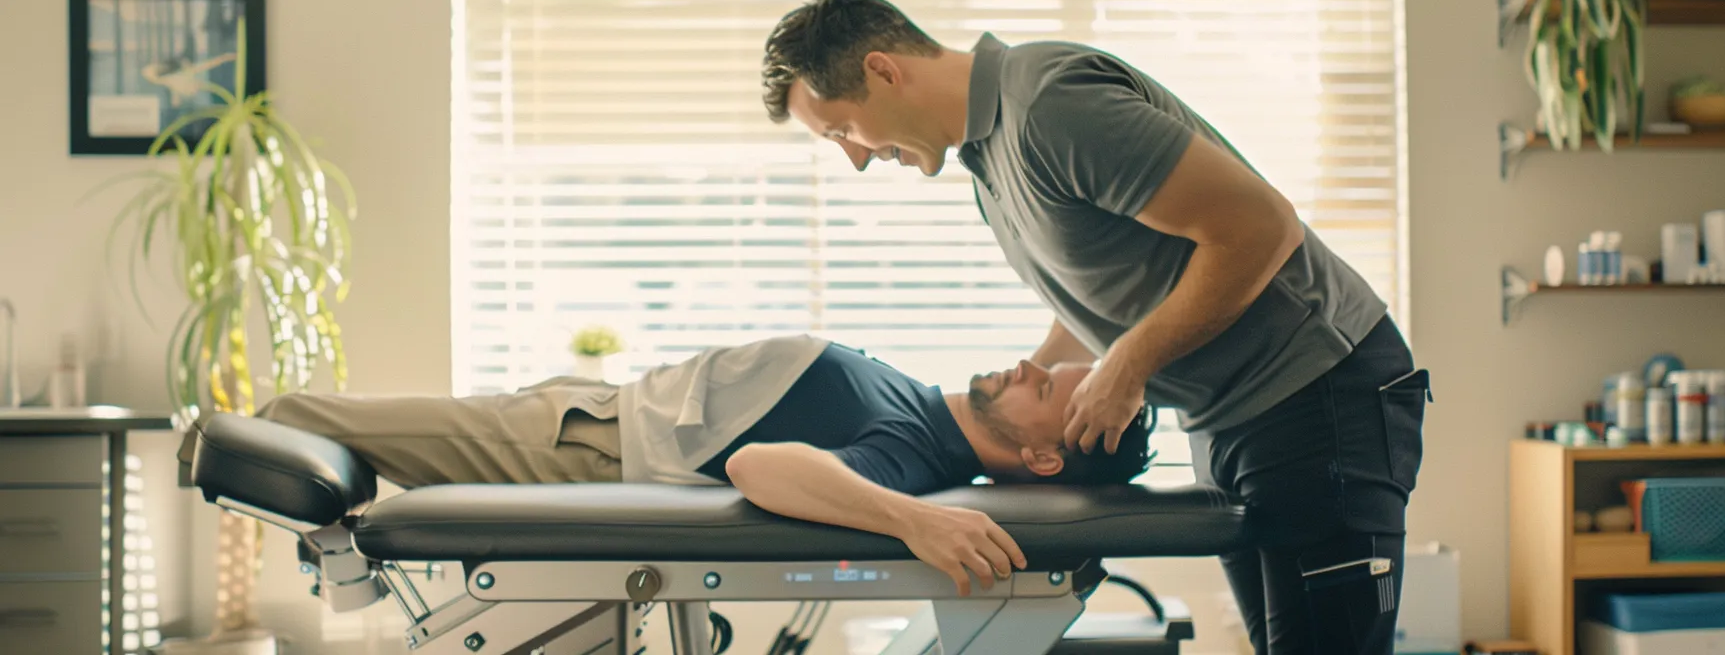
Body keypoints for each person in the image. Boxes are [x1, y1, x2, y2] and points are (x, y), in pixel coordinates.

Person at [758, 0, 1431, 654]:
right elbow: (1104, 300)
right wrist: (1017, 406)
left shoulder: (1051, 105)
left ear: (883, 71)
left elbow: (1261, 228)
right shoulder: (988, 162)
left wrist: (1129, 366)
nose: (853, 156)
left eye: (842, 129)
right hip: (1231, 419)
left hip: (1316, 395)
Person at [178, 333, 1153, 596]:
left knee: (301, 414)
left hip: (580, 444)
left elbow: (764, 467)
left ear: (1036, 454)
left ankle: (304, 520)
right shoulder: (923, 412)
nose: (1030, 365)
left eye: (1048, 388)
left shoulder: (908, 458)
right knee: (323, 419)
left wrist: (914, 521)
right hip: (586, 411)